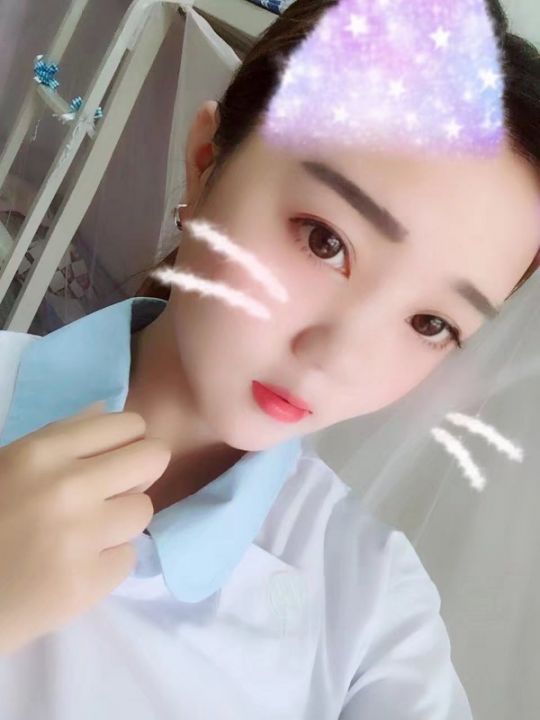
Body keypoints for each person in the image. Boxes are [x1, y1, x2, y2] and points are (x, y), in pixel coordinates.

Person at [0, 0, 538, 717]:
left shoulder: (373, 609)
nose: (336, 355)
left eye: (430, 323)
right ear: (204, 166)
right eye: (324, 241)